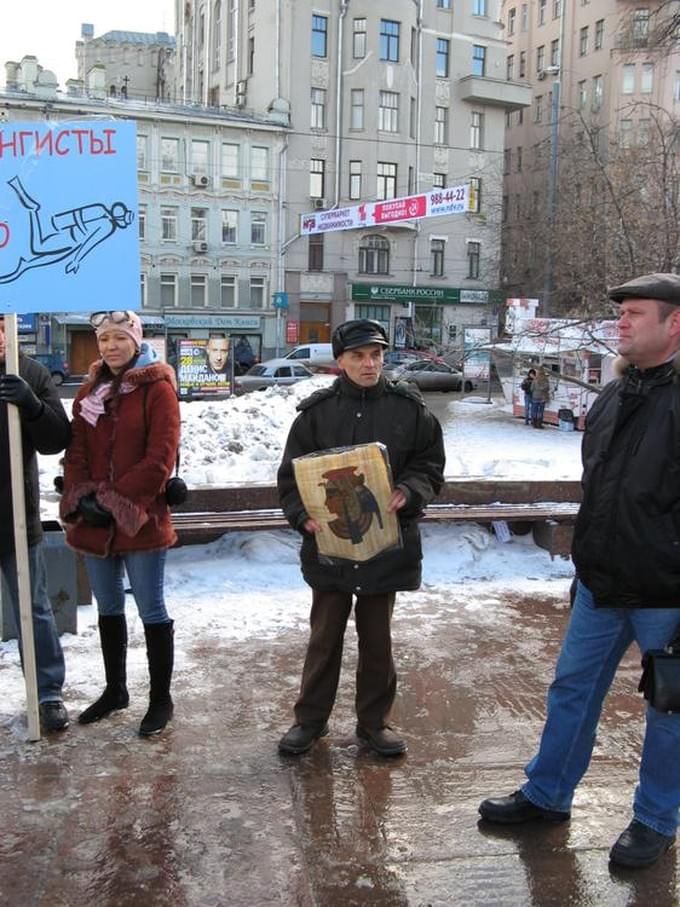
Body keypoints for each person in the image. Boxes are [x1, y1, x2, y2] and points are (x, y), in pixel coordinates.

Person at [478, 273, 680, 869]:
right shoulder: (615, 395)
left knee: (668, 709)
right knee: (571, 690)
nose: (620, 321)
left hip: (667, 593)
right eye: (619, 312)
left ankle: (655, 818)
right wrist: (583, 565)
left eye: (635, 313)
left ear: (675, 324)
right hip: (601, 584)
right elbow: (596, 491)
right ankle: (547, 795)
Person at [277, 319, 445, 757]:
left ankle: (374, 724)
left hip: (385, 545)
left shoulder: (408, 408)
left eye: (376, 355)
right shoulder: (316, 414)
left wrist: (409, 491)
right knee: (324, 637)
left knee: (378, 640)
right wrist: (301, 517)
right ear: (340, 361)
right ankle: (310, 722)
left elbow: (429, 464)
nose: (369, 364)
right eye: (358, 356)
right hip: (330, 549)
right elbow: (291, 479)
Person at [59, 311, 180, 737]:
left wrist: (117, 501)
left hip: (140, 519)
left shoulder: (157, 388)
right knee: (108, 608)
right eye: (104, 339)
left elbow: (160, 457)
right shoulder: (90, 391)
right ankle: (115, 690)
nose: (110, 346)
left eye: (119, 338)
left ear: (135, 341)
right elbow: (76, 451)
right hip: (93, 520)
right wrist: (80, 496)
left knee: (151, 609)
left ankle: (160, 698)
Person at [0, 318, 71, 732]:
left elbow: (56, 439)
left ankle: (47, 694)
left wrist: (32, 406)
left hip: (14, 516)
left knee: (34, 610)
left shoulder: (30, 372)